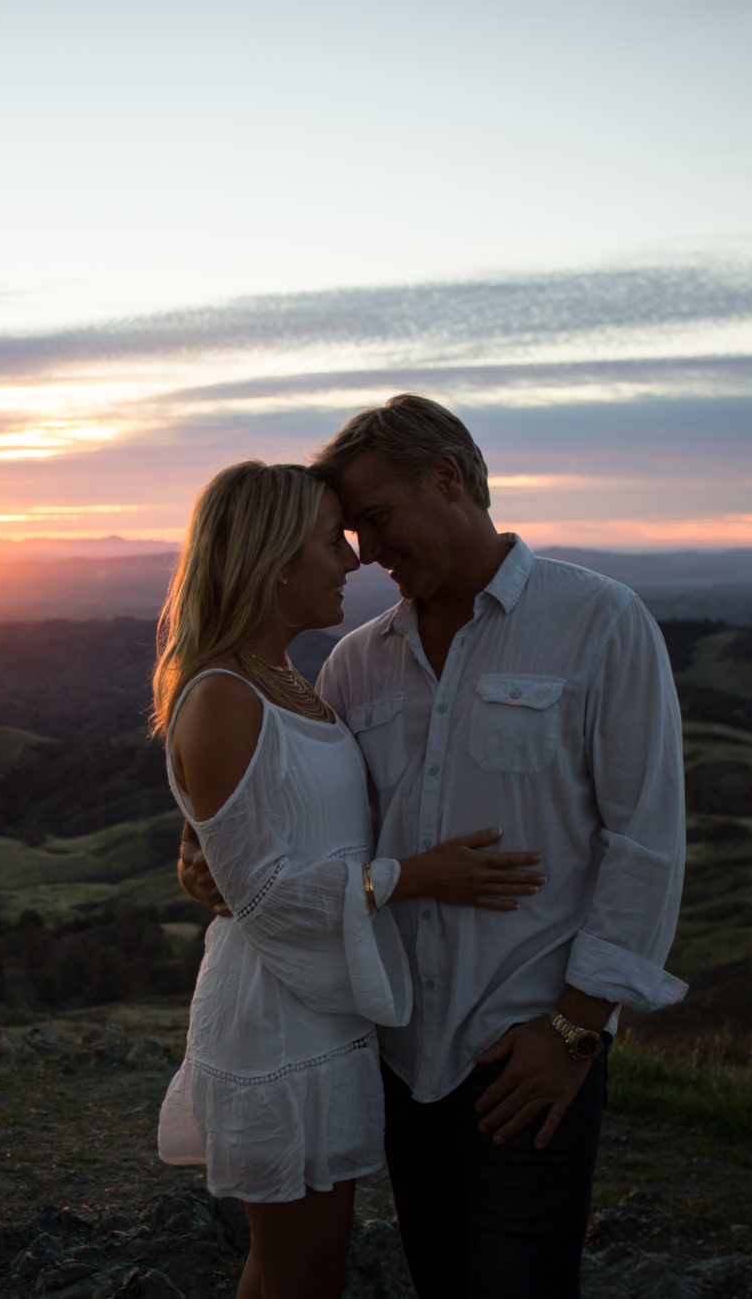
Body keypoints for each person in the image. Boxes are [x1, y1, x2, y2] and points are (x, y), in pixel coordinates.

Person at [180, 397, 688, 1299]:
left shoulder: (602, 623)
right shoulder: (355, 664)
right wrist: (205, 846)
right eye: (346, 534)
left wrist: (575, 1030)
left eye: (374, 521)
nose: (365, 553)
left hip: (525, 1051)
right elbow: (294, 811)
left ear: (448, 479)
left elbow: (645, 847)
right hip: (397, 1054)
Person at [153, 460, 548, 1299]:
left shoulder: (296, 681)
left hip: (323, 1010)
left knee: (312, 1266)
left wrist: (203, 847)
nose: (351, 559)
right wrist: (416, 877)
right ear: (272, 559)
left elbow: (276, 835)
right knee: (299, 1268)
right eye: (329, 541)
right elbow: (262, 900)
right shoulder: (225, 695)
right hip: (275, 1017)